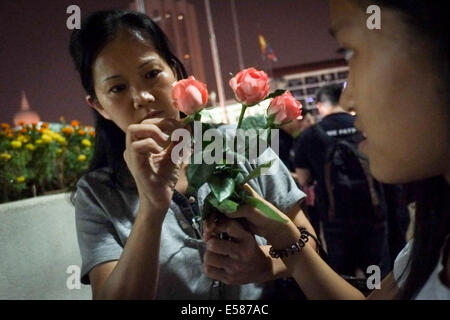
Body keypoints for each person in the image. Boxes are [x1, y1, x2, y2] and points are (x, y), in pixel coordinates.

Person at [205, 0, 450, 299]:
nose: (348, 98)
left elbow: (305, 180)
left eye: (351, 52)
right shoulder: (432, 241)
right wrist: (283, 235)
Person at [69, 9, 316, 300]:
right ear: (98, 106)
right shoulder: (98, 193)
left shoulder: (239, 143)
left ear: (175, 73)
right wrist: (151, 207)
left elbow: (309, 242)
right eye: (117, 88)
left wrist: (265, 265)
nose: (142, 97)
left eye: (151, 74)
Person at [293, 83, 391, 279]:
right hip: (373, 213)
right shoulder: (363, 127)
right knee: (376, 273)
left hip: (335, 218)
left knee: (343, 276)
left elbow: (304, 179)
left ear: (320, 106)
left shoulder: (309, 136)